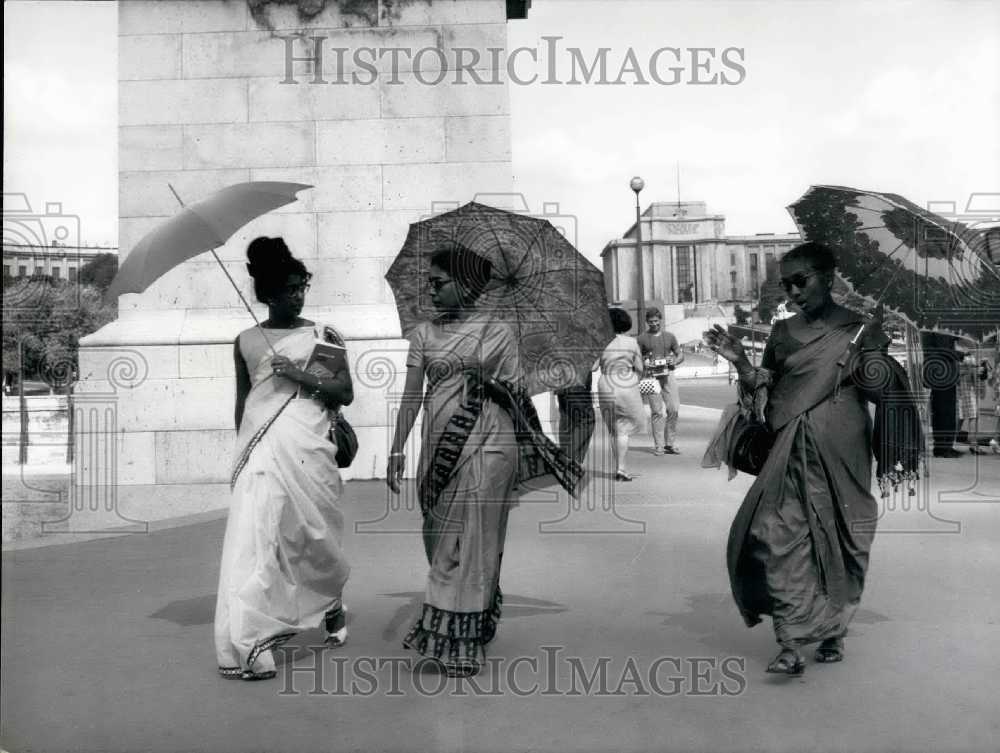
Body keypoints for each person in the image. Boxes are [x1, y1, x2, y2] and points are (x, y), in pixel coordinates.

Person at [703, 242, 922, 677]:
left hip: (844, 452)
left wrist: (875, 357)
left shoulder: (861, 330)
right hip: (788, 448)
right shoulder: (782, 334)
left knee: (844, 540)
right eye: (787, 285)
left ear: (829, 277)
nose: (793, 292)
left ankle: (833, 629)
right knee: (776, 535)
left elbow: (884, 393)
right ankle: (788, 641)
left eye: (800, 281)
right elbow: (765, 389)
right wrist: (741, 361)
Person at [386, 243, 580, 677]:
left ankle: (463, 639)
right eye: (429, 283)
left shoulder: (499, 332)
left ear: (467, 284)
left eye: (439, 283)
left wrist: (490, 382)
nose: (431, 291)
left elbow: (517, 394)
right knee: (439, 538)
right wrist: (397, 448)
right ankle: (472, 607)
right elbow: (411, 398)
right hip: (438, 448)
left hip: (490, 446)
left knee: (475, 539)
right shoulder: (423, 334)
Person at [215, 237, 354, 681]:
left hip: (310, 450)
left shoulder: (321, 335)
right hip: (261, 454)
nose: (298, 295)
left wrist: (299, 374)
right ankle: (252, 642)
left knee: (311, 538)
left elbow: (344, 393)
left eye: (302, 286)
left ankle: (329, 600)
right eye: (289, 288)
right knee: (256, 543)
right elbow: (244, 404)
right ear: (268, 293)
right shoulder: (245, 341)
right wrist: (241, 454)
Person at [596, 308, 646, 481]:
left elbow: (594, 367)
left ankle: (618, 467)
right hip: (626, 382)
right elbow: (640, 368)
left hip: (606, 383)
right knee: (623, 429)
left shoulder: (601, 341)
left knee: (613, 429)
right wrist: (634, 380)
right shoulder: (631, 342)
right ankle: (621, 469)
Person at [636, 307, 684, 455]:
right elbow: (635, 357)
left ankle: (670, 443)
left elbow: (680, 354)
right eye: (651, 322)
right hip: (650, 377)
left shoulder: (670, 336)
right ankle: (659, 445)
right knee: (656, 412)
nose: (654, 324)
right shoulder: (641, 338)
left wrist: (674, 361)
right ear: (646, 322)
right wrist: (643, 362)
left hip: (668, 375)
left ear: (661, 320)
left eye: (656, 321)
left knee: (674, 409)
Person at [920, 331, 964, 458]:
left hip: (943, 374)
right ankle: (943, 448)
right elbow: (942, 350)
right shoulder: (934, 328)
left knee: (944, 411)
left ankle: (943, 446)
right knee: (944, 412)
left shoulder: (937, 327)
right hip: (941, 374)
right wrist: (960, 354)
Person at [556, 370, 596, 466]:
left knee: (567, 422)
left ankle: (568, 464)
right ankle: (567, 456)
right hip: (578, 385)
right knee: (587, 421)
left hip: (561, 386)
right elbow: (594, 366)